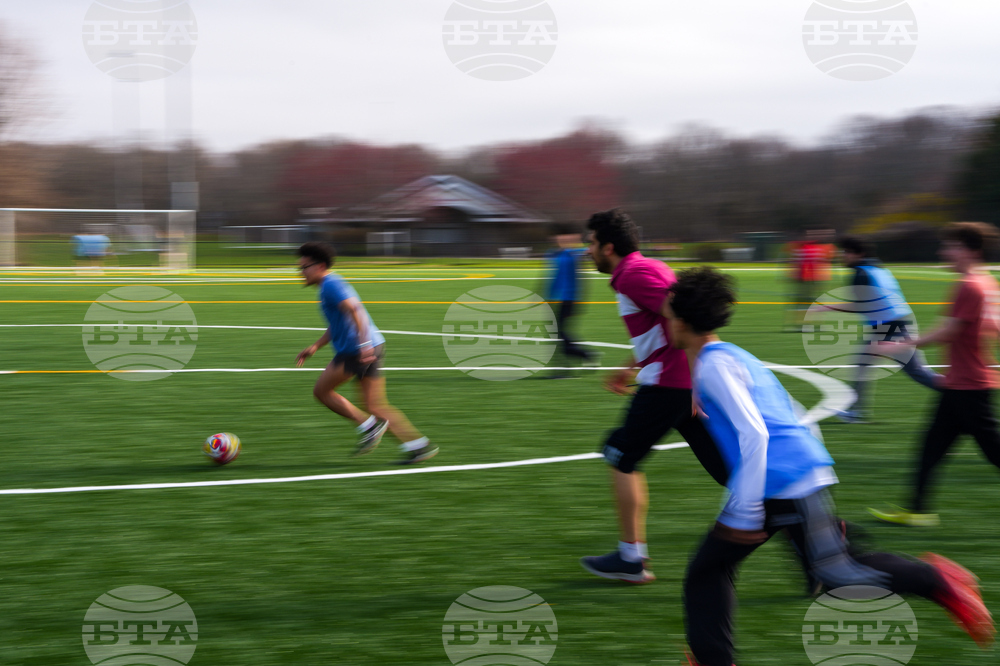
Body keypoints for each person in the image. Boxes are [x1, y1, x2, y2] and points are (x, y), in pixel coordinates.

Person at [665, 266, 993, 665]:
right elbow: (790, 411)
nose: (666, 321)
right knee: (719, 569)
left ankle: (934, 580)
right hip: (786, 479)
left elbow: (756, 435)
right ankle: (711, 656)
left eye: (668, 315)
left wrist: (745, 509)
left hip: (786, 482)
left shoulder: (715, 366)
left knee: (840, 575)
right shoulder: (727, 356)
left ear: (681, 321)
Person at [579, 209, 728, 584]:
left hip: (669, 386)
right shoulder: (645, 267)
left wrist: (707, 366)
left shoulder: (632, 275)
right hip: (682, 384)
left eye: (591, 243)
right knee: (730, 471)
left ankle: (631, 558)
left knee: (620, 455)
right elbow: (664, 322)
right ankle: (812, 533)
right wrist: (630, 365)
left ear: (608, 247)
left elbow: (685, 316)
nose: (588, 250)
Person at [869, 222, 1000, 526]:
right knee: (930, 448)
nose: (944, 252)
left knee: (993, 453)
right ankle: (917, 510)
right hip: (961, 384)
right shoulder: (985, 282)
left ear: (970, 251)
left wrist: (903, 344)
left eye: (951, 246)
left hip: (970, 386)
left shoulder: (969, 286)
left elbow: (950, 331)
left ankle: (917, 509)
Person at [295, 242, 438, 464]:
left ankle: (369, 426)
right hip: (372, 346)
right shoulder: (328, 286)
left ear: (320, 265)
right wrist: (316, 346)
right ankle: (419, 447)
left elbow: (356, 310)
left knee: (322, 392)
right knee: (375, 405)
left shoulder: (331, 284)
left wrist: (363, 345)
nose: (300, 273)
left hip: (356, 350)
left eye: (304, 267)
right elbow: (337, 323)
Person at [834, 235, 941, 423]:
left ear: (858, 254)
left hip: (890, 328)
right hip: (894, 324)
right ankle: (856, 411)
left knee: (918, 373)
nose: (843, 256)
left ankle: (961, 390)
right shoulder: (878, 269)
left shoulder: (861, 273)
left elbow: (861, 306)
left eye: (846, 252)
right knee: (862, 365)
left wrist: (826, 306)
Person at [540, 227, 596, 378]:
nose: (561, 240)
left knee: (559, 333)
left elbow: (589, 250)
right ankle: (578, 359)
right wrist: (546, 297)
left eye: (566, 238)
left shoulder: (573, 254)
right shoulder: (554, 255)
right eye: (559, 237)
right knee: (557, 333)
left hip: (570, 299)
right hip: (557, 299)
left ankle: (581, 356)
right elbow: (553, 279)